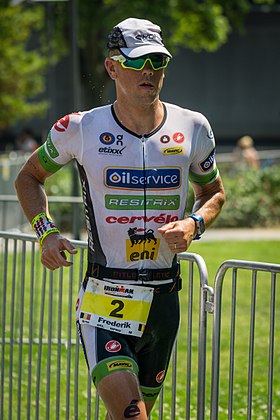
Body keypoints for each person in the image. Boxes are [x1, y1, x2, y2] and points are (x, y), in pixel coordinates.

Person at [15, 17, 225, 420]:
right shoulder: (81, 127)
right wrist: (46, 232)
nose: (150, 72)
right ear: (112, 67)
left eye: (158, 62)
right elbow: (28, 177)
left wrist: (194, 224)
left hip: (165, 301)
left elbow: (212, 192)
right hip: (107, 296)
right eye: (138, 62)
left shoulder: (193, 126)